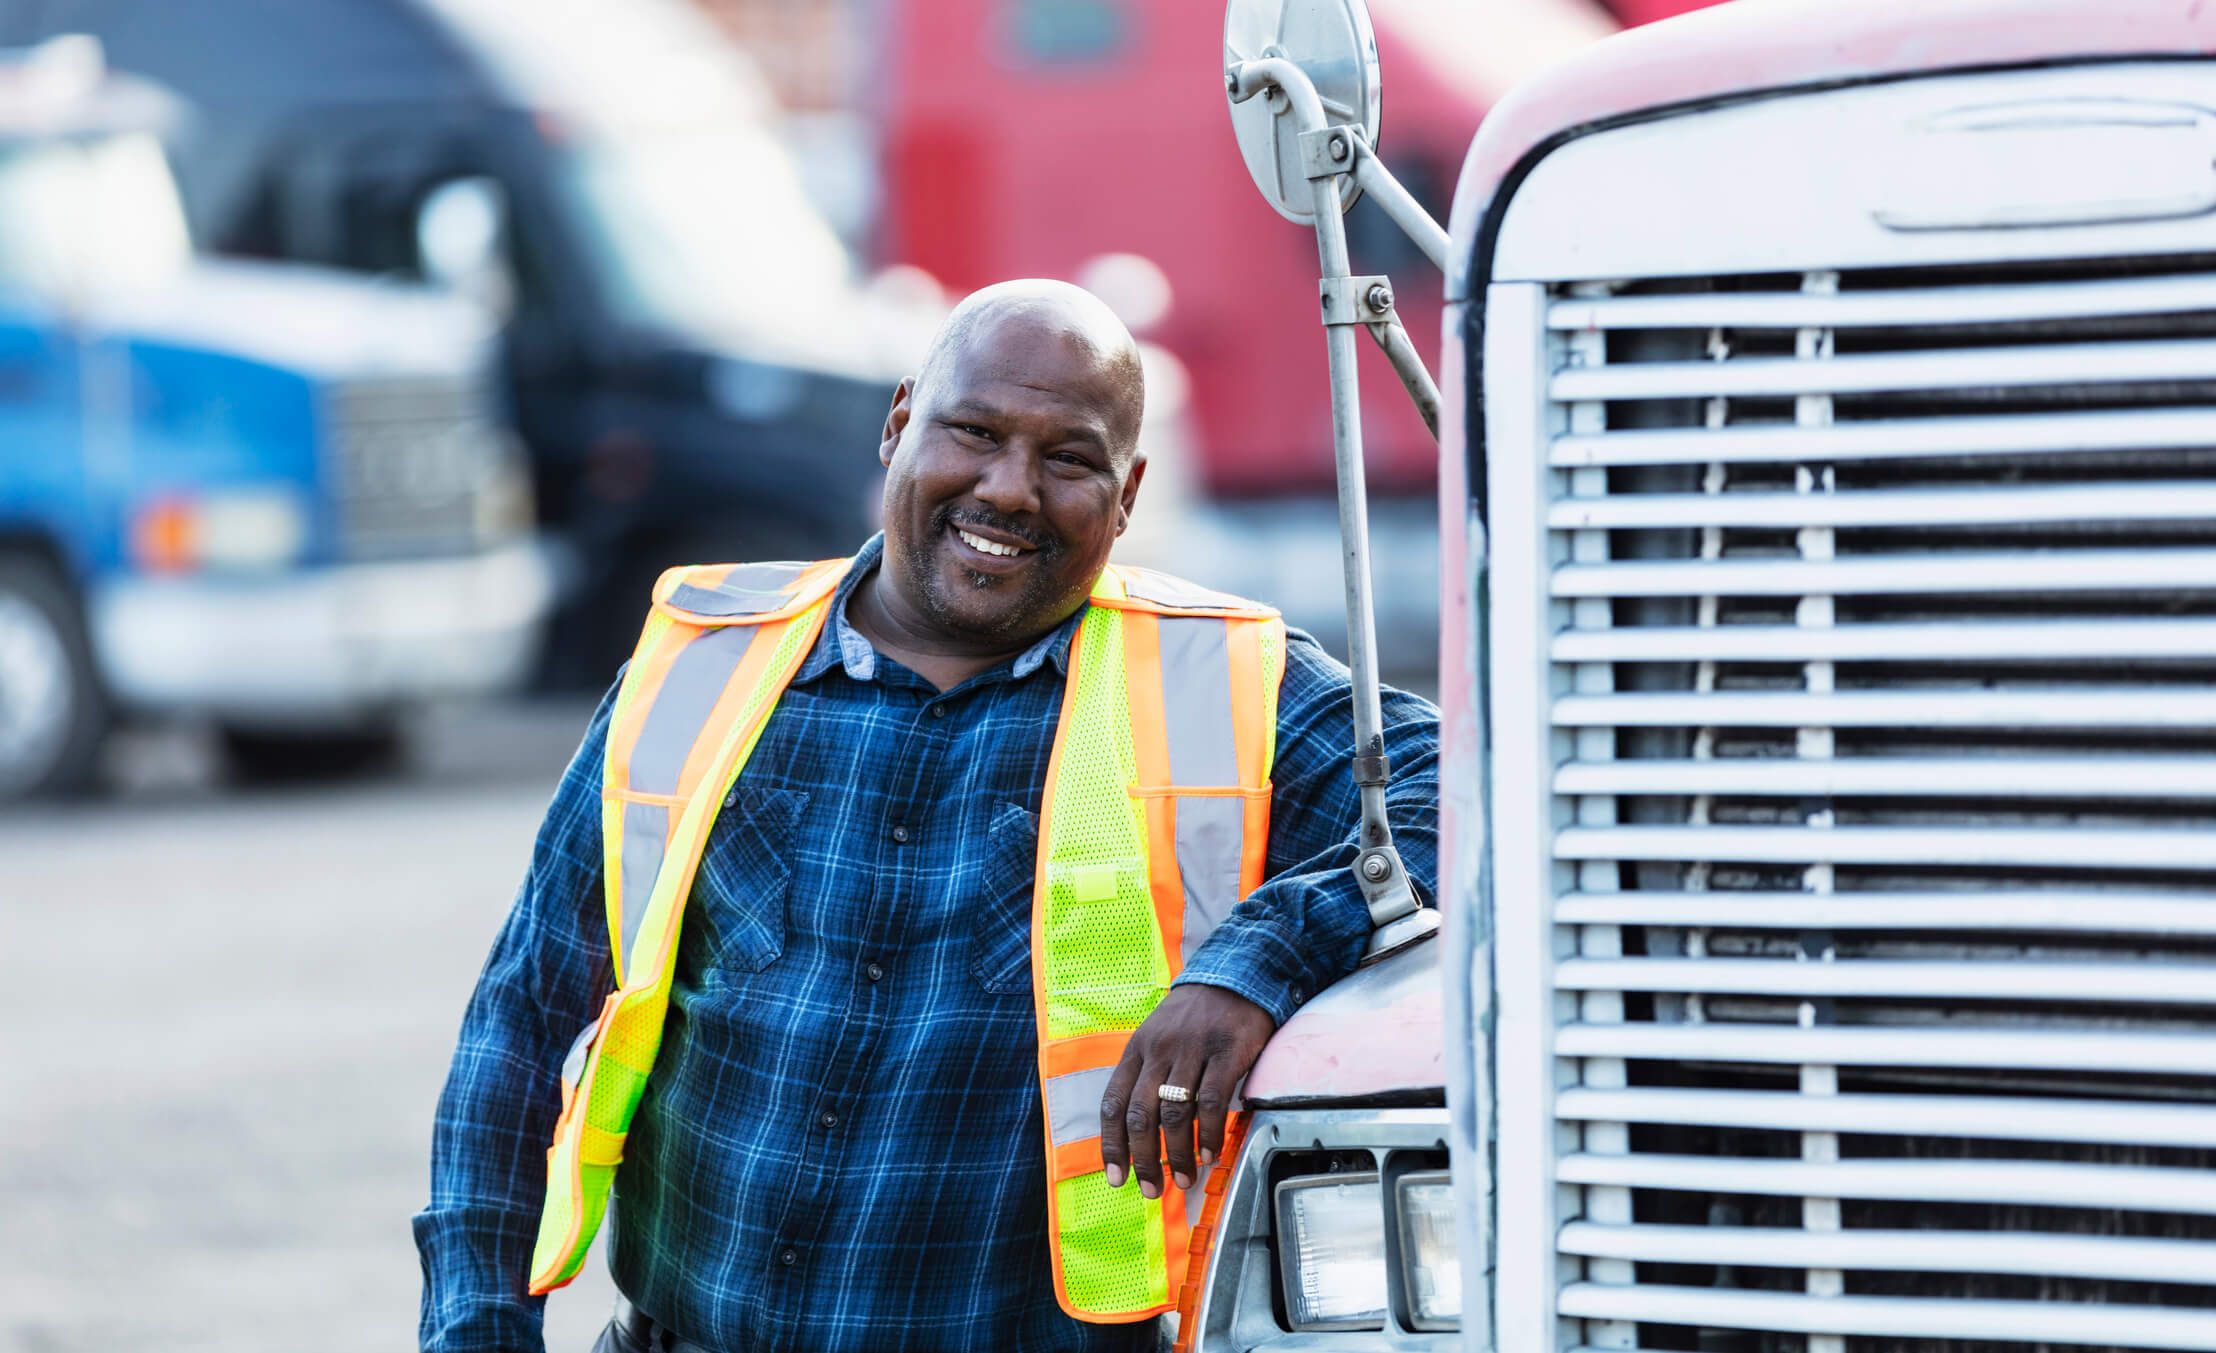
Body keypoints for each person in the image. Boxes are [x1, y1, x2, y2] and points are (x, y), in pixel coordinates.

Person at [415, 280, 1439, 1353]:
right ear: (898, 423)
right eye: (975, 432)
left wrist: (1251, 965)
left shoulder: (1219, 683)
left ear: (1127, 492)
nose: (1010, 489)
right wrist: (477, 1328)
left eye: (1069, 458)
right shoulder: (700, 669)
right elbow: (522, 1023)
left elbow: (1467, 791)